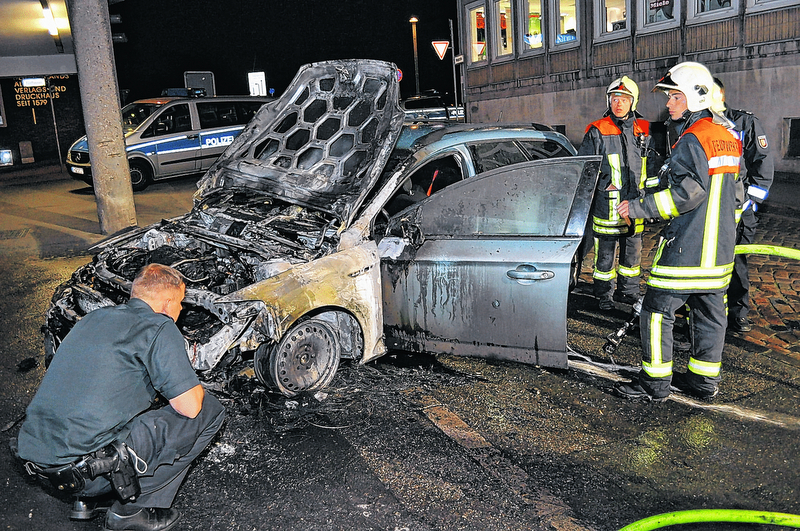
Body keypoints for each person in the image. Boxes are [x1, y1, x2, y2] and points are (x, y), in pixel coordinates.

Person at [16, 263, 226, 531]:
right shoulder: (158, 326)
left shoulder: (95, 318)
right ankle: (130, 511)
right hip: (89, 471)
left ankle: (90, 499)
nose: (181, 310)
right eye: (181, 303)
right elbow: (190, 406)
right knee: (210, 409)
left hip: (41, 461)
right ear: (167, 302)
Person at [614, 62, 742, 402]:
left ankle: (654, 385)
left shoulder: (692, 139)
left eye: (675, 96)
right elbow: (738, 196)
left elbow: (687, 194)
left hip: (686, 250)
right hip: (720, 252)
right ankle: (702, 382)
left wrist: (638, 208)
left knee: (656, 313)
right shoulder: (728, 139)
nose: (669, 103)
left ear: (695, 98)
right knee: (710, 315)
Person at [578, 76, 655, 310]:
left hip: (636, 205)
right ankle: (603, 294)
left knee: (633, 254)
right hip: (608, 206)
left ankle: (629, 292)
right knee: (605, 256)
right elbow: (586, 166)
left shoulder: (644, 129)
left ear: (633, 102)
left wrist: (650, 198)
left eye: (624, 99)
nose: (619, 103)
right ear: (608, 101)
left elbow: (651, 166)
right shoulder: (597, 130)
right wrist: (604, 185)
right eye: (614, 99)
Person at [711, 77, 774, 333]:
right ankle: (705, 313)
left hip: (740, 209)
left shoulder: (744, 122)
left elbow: (762, 164)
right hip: (709, 209)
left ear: (722, 95)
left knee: (737, 263)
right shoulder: (697, 124)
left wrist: (752, 201)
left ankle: (738, 312)